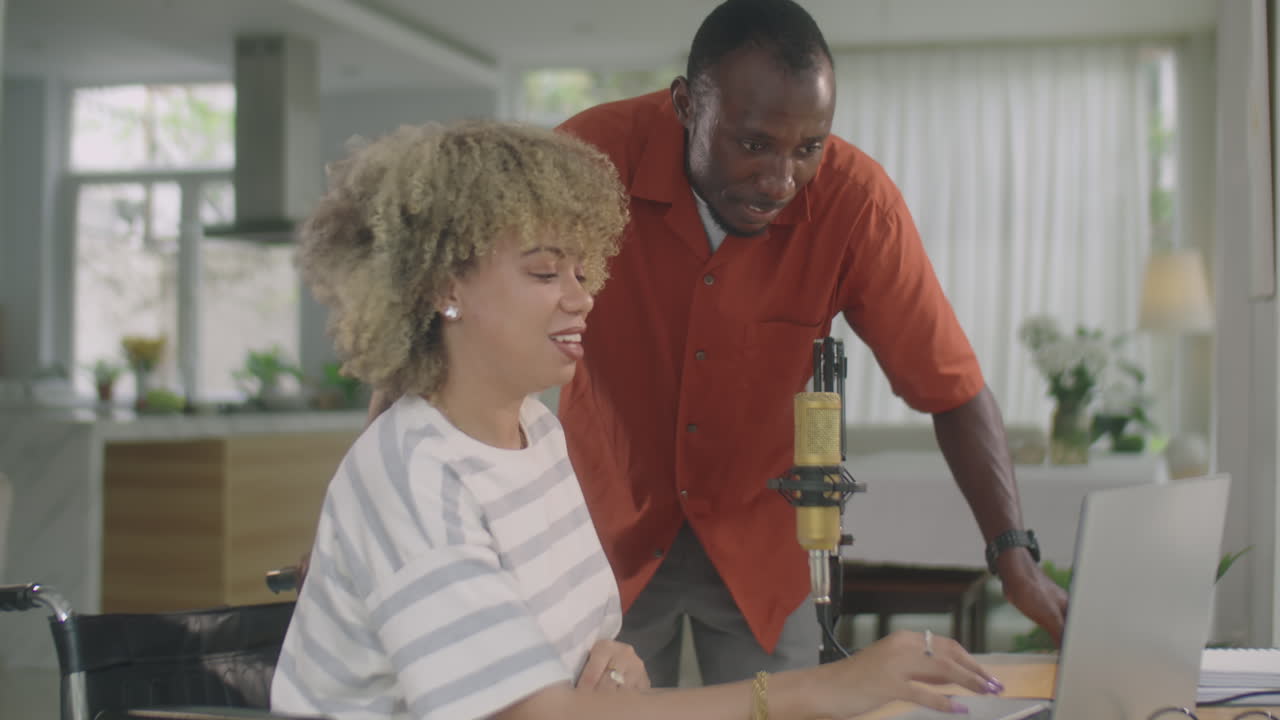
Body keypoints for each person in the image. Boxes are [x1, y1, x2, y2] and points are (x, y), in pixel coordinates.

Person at [273, 119, 1005, 720]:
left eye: (582, 271)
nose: (580, 297)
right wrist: (821, 689)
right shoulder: (412, 473)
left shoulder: (539, 433)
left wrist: (615, 668)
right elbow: (531, 711)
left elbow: (593, 664)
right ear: (444, 287)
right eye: (543, 273)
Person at [549, 0, 1069, 687]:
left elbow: (951, 387)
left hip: (763, 548)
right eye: (754, 143)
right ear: (685, 105)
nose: (780, 181)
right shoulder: (583, 161)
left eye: (808, 148)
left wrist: (1016, 559)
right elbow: (476, 312)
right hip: (602, 530)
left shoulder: (857, 205)